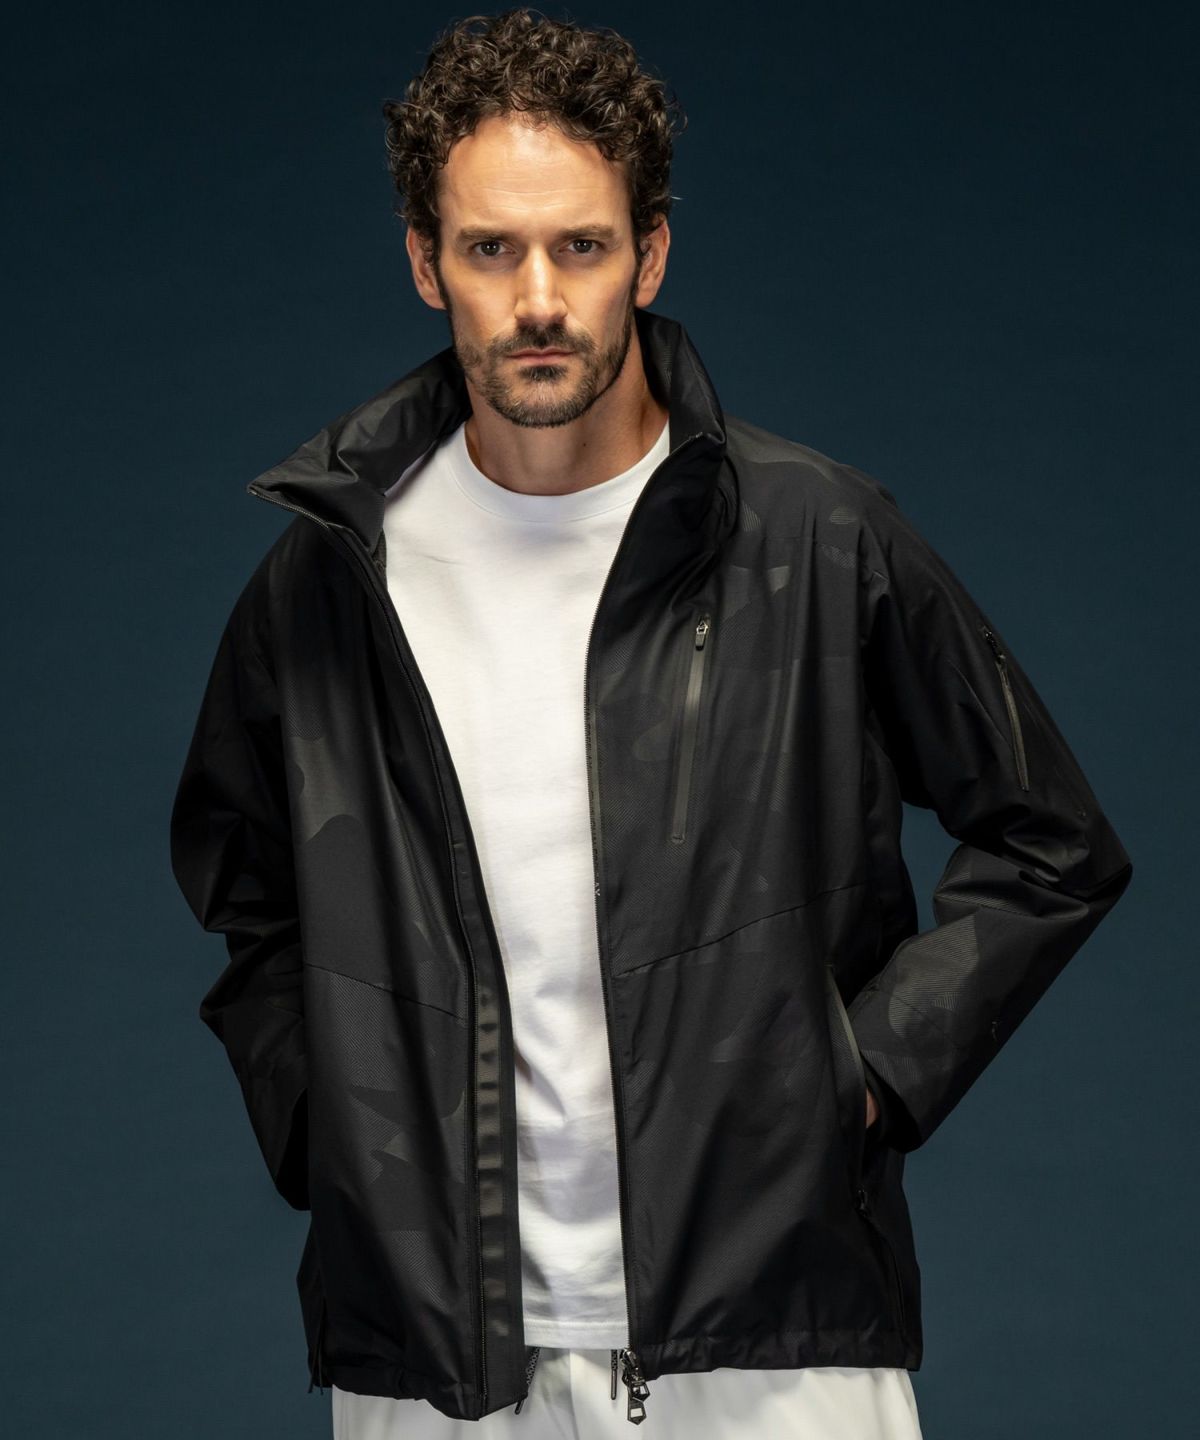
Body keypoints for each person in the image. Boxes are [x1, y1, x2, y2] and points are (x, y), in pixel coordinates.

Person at [168, 9, 1133, 1438]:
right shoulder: (331, 578)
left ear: (652, 254)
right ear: (426, 263)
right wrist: (334, 1135)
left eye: (582, 245)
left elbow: (1053, 842)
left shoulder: (816, 536)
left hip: (775, 1338)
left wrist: (860, 1080)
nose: (538, 298)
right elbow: (244, 891)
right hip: (433, 1356)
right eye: (490, 249)